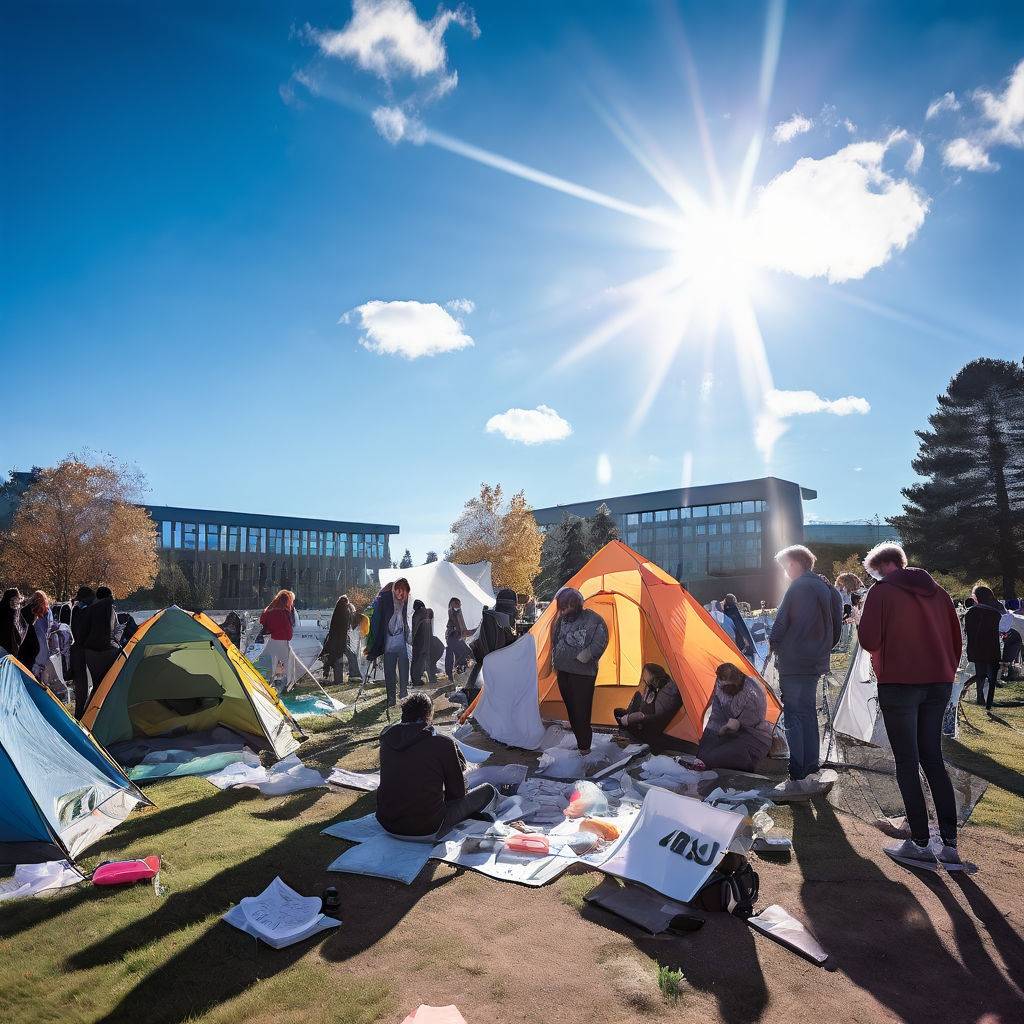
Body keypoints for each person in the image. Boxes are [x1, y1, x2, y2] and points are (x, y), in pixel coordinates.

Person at [857, 542, 964, 869]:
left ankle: (919, 841)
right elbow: (956, 638)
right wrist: (945, 669)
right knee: (933, 758)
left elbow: (868, 640)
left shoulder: (882, 591)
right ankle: (949, 844)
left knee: (907, 761)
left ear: (882, 565)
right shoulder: (939, 593)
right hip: (938, 680)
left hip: (900, 682)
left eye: (873, 570)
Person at [769, 545, 843, 795]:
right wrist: (822, 648)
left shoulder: (797, 586)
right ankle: (811, 767)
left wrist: (775, 646)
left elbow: (780, 624)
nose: (784, 572)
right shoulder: (827, 587)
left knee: (794, 716)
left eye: (784, 567)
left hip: (794, 661)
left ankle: (798, 771)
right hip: (814, 661)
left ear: (793, 564)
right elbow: (837, 625)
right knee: (809, 715)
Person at [376, 693, 497, 838]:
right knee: (489, 791)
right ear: (429, 715)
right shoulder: (441, 743)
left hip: (388, 824)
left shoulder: (387, 740)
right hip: (427, 828)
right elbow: (457, 794)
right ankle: (471, 817)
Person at [550, 587, 610, 754]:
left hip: (583, 674)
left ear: (575, 603)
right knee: (571, 709)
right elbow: (555, 640)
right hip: (564, 671)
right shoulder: (562, 620)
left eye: (566, 605)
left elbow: (600, 642)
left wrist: (585, 656)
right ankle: (579, 742)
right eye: (561, 606)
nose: (563, 610)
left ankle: (584, 748)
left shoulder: (593, 619)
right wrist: (556, 661)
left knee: (581, 711)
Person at [695, 662, 774, 771]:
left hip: (752, 735)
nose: (724, 689)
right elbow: (716, 716)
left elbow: (753, 721)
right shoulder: (719, 685)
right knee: (702, 757)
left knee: (715, 758)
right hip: (727, 732)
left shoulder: (753, 691)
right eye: (722, 685)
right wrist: (713, 735)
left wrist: (734, 725)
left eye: (728, 686)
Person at [455, 588, 519, 705]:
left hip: (484, 655)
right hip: (501, 658)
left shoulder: (490, 615)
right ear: (513, 605)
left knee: (481, 662)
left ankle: (468, 693)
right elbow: (510, 642)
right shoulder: (504, 619)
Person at [614, 662, 683, 751]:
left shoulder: (667, 692)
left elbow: (659, 718)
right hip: (646, 722)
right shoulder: (653, 687)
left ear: (653, 675)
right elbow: (646, 707)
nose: (643, 677)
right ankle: (627, 729)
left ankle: (630, 736)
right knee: (619, 711)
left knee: (621, 716)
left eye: (645, 675)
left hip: (651, 730)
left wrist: (639, 717)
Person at [366, 578, 411, 708]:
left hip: (402, 643)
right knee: (390, 671)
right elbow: (375, 617)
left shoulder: (406, 601)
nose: (400, 594)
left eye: (403, 591)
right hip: (389, 642)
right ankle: (391, 698)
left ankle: (403, 695)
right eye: (398, 590)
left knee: (403, 670)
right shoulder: (385, 599)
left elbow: (407, 620)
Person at [965, 586, 1003, 709]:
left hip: (977, 648)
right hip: (992, 648)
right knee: (992, 676)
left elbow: (969, 633)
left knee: (980, 673)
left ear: (976, 597)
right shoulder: (996, 613)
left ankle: (980, 697)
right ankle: (989, 702)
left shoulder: (970, 613)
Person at [80, 585, 120, 693]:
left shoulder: (90, 610)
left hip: (91, 652)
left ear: (97, 597)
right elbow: (117, 630)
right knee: (109, 684)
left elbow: (83, 631)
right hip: (109, 650)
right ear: (110, 596)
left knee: (96, 684)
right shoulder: (112, 610)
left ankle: (94, 707)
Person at [259, 589, 296, 691]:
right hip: (283, 641)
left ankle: (267, 685)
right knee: (287, 666)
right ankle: (286, 686)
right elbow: (288, 629)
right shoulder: (284, 611)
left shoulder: (269, 609)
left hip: (270, 640)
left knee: (270, 665)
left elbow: (261, 622)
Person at [68, 585, 95, 718]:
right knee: (83, 683)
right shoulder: (84, 610)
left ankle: (80, 711)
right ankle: (83, 711)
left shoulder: (76, 609)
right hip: (84, 648)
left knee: (81, 682)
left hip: (78, 649)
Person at [18, 590, 54, 679]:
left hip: (27, 643)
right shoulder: (47, 611)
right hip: (42, 643)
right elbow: (50, 626)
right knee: (39, 671)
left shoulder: (25, 610)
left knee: (26, 669)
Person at [322, 595, 355, 684]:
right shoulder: (346, 611)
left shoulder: (337, 611)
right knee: (347, 657)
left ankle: (338, 679)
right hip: (341, 639)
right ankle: (352, 676)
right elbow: (346, 627)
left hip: (334, 639)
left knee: (336, 659)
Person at [410, 600, 438, 687]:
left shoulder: (416, 614)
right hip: (426, 643)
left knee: (416, 661)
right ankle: (431, 678)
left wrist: (412, 642)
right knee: (424, 660)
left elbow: (414, 629)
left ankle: (416, 681)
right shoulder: (427, 613)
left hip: (418, 642)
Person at [444, 597, 472, 681]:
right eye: (457, 603)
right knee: (466, 653)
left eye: (459, 604)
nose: (459, 605)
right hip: (453, 636)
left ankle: (456, 674)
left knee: (460, 655)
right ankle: (455, 675)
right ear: (452, 604)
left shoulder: (458, 612)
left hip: (455, 636)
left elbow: (463, 629)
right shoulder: (453, 612)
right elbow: (452, 614)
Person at [721, 594, 755, 659]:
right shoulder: (734, 612)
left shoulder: (726, 614)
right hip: (743, 645)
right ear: (734, 601)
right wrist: (746, 641)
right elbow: (740, 628)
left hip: (738, 646)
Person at [0, 588, 27, 656]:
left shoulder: (15, 612)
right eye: (16, 599)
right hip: (8, 649)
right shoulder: (14, 612)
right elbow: (22, 628)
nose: (17, 601)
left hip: (7, 648)